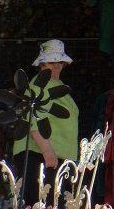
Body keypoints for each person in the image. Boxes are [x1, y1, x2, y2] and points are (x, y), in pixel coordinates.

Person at [12, 39, 80, 208]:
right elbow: (31, 119)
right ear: (42, 65)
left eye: (60, 62)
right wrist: (47, 150)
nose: (57, 66)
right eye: (52, 62)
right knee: (42, 203)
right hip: (41, 155)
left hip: (56, 156)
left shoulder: (58, 84)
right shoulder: (38, 85)